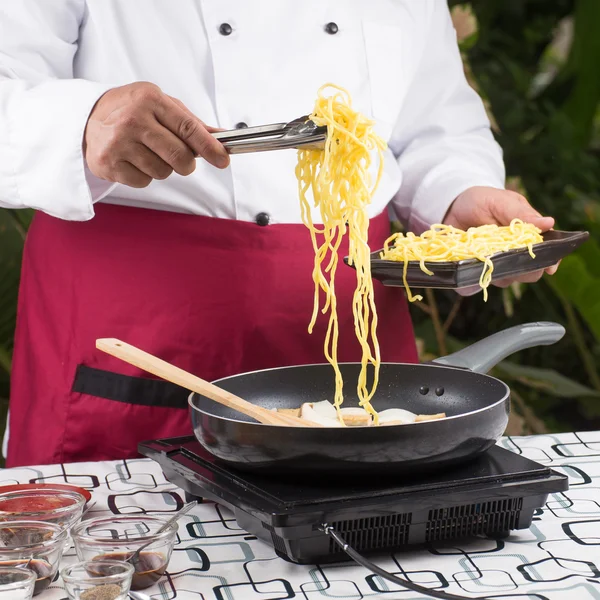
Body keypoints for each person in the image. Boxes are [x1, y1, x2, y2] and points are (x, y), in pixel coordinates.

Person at [0, 1, 557, 467]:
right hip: (134, 322)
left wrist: (457, 197)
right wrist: (82, 121)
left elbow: (433, 124)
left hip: (351, 319)